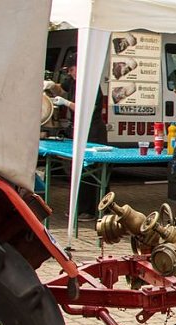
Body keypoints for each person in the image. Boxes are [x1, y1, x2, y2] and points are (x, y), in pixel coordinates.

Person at [51, 63, 107, 221]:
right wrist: (50, 85)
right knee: (80, 171)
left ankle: (92, 210)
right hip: (81, 130)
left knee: (92, 173)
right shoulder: (73, 81)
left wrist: (66, 103)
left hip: (94, 133)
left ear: (80, 67)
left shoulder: (91, 85)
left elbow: (86, 108)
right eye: (67, 71)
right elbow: (61, 87)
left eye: (71, 70)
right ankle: (80, 208)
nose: (70, 74)